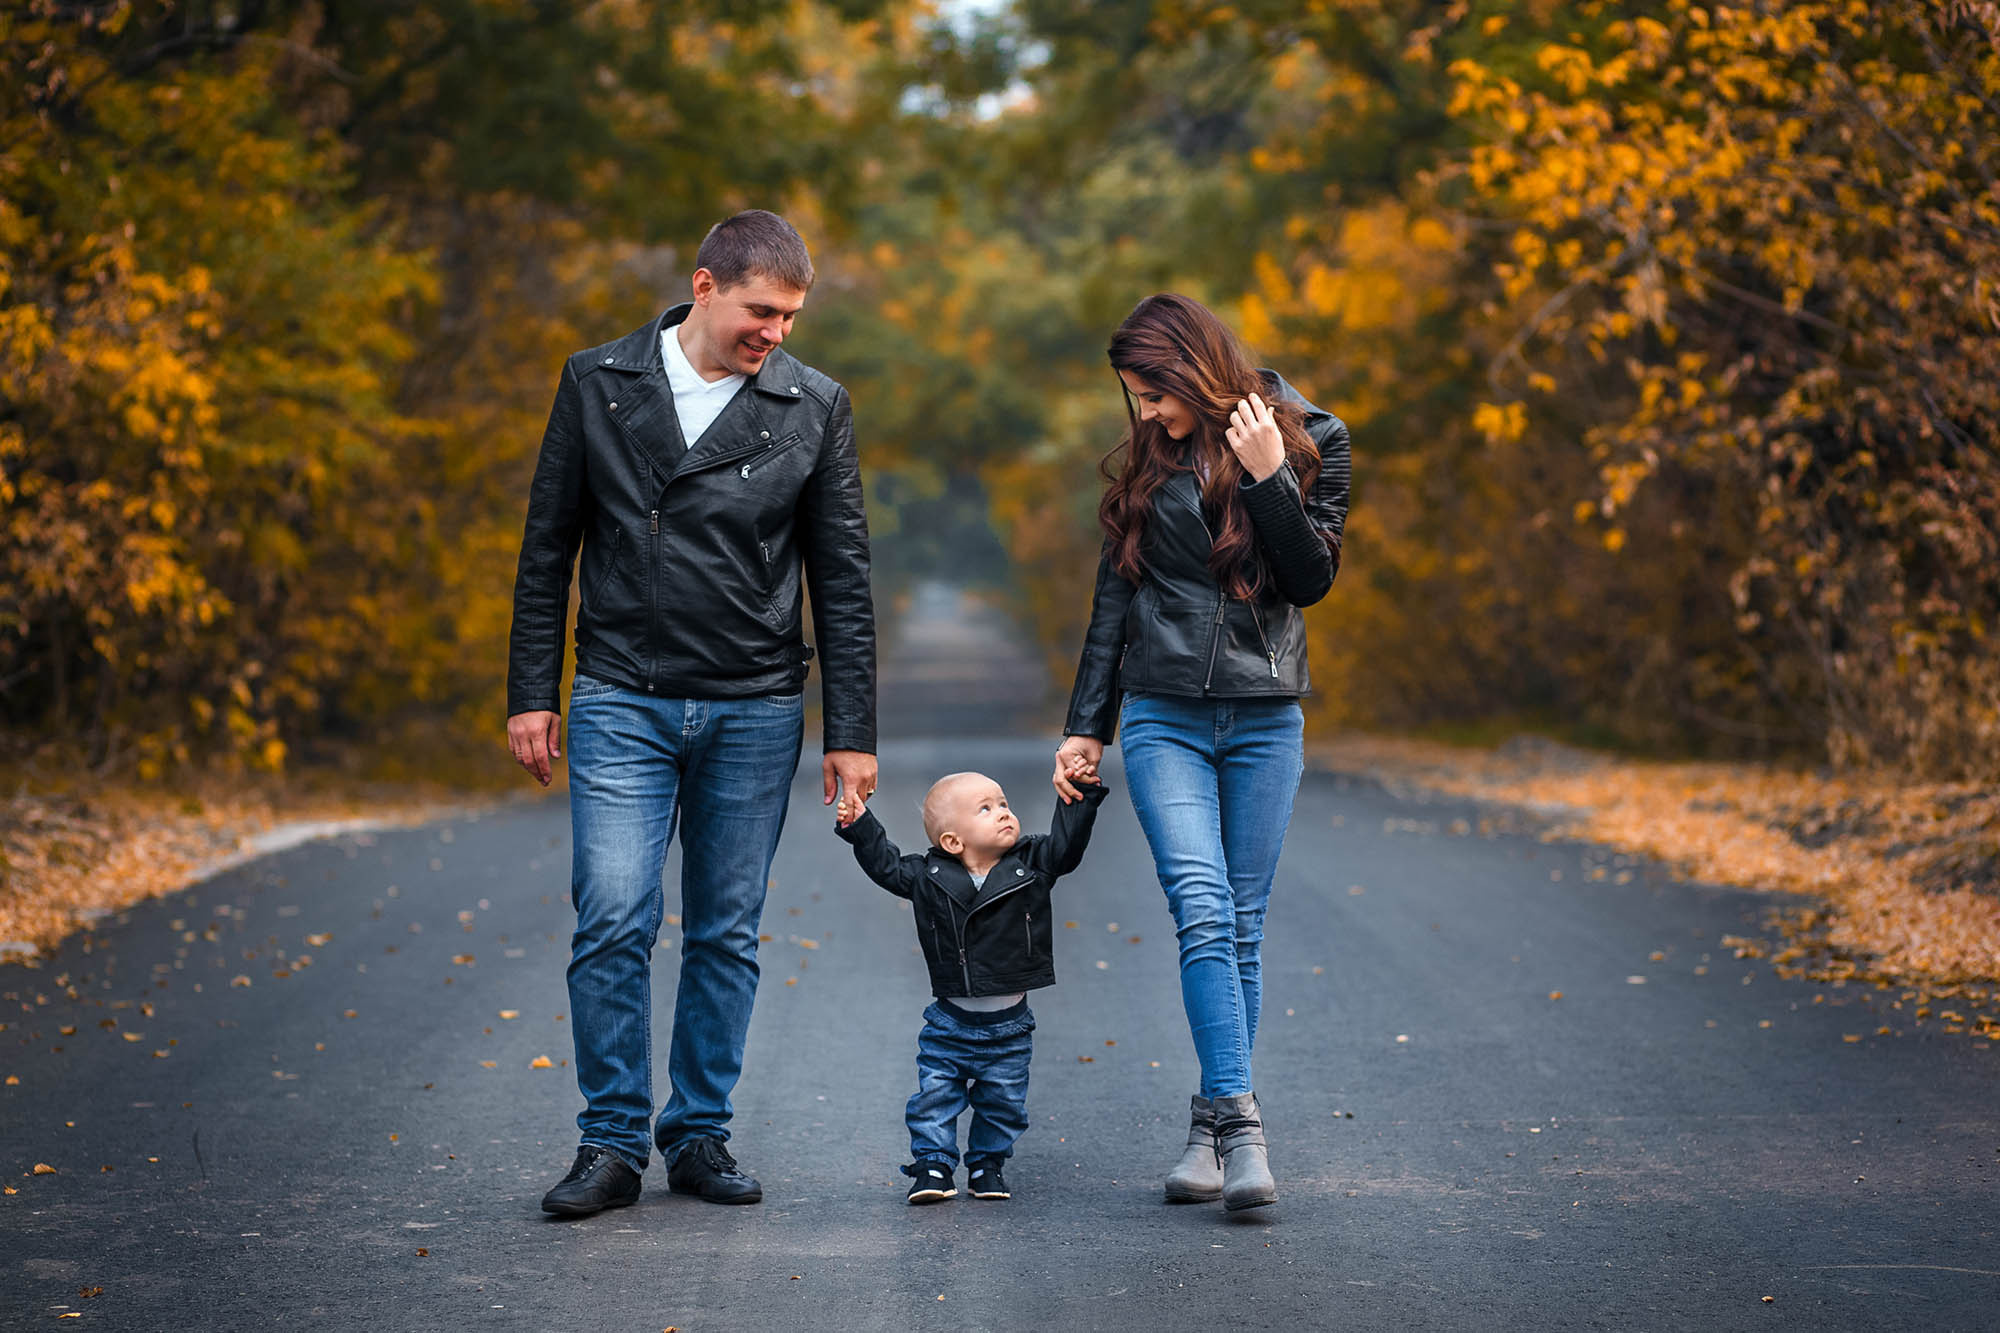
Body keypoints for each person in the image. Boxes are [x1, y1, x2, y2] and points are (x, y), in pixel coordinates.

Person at [506, 210, 878, 1218]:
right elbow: (549, 547)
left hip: (755, 702)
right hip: (621, 691)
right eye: (764, 310)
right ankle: (611, 1142)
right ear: (706, 286)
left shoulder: (813, 406)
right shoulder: (598, 381)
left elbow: (840, 576)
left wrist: (851, 734)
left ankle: (699, 1132)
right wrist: (532, 693)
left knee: (725, 929)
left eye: (794, 317)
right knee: (614, 914)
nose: (778, 333)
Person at [1052, 292, 1349, 1213]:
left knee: (1243, 924)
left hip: (1266, 716)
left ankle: (1210, 1132)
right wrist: (1085, 723)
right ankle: (1244, 1129)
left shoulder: (1315, 439)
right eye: (1136, 400)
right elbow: (1116, 596)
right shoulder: (1153, 454)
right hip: (1163, 714)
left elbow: (1311, 581)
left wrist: (1269, 479)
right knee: (1203, 907)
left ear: (1191, 368)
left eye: (1154, 395)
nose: (1146, 415)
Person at [834, 767, 1108, 1204]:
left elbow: (1067, 848)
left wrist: (1081, 794)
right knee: (935, 1099)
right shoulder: (928, 878)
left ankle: (987, 1165)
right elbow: (886, 866)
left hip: (1010, 1028)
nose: (1003, 813)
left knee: (1003, 1104)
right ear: (952, 842)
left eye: (1003, 804)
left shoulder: (1032, 863)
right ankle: (933, 1166)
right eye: (985, 809)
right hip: (950, 1023)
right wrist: (860, 825)